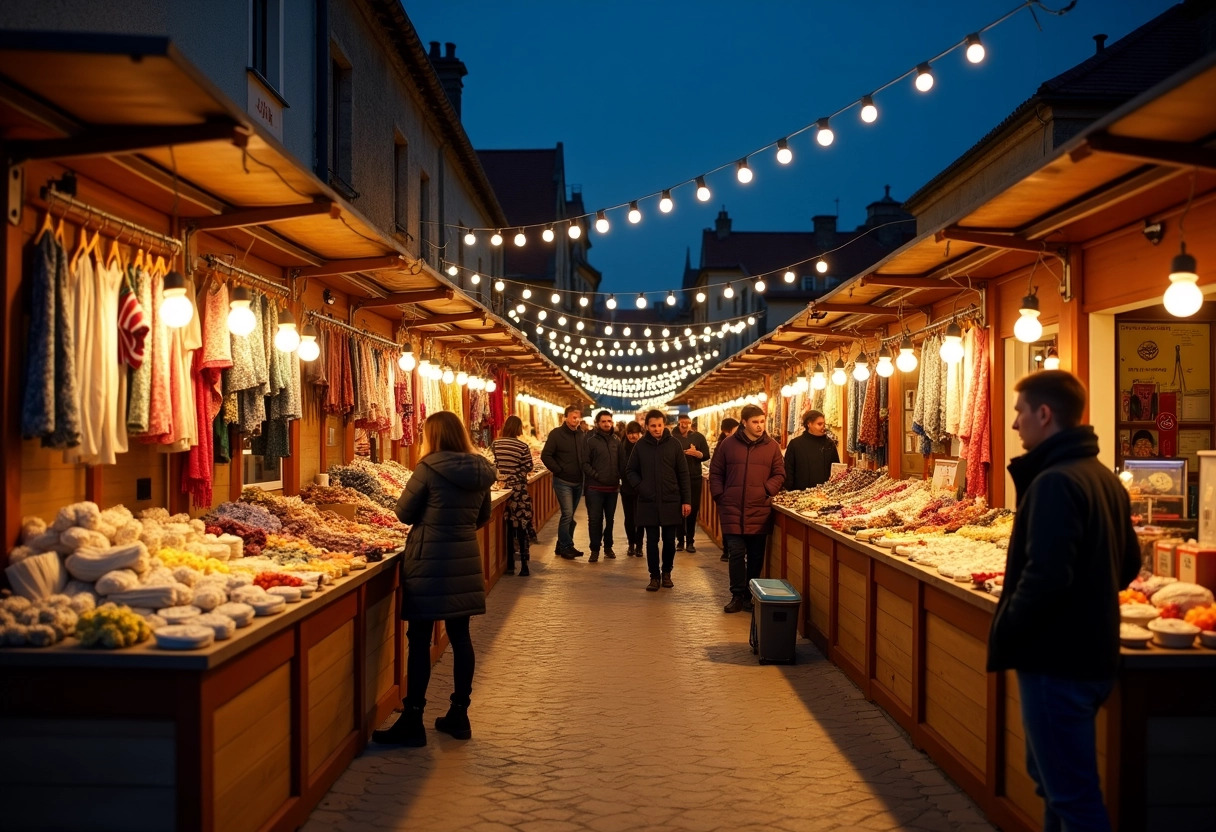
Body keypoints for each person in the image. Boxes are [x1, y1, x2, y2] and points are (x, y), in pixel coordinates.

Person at [988, 370, 1140, 832]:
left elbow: (1046, 577)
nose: (1015, 425)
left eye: (1019, 412)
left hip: (1057, 661)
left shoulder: (1054, 481)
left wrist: (1009, 624)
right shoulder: (1103, 477)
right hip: (1091, 655)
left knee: (1073, 799)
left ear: (1044, 414)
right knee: (1055, 788)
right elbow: (1128, 565)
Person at [374, 411, 496, 746]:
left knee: (419, 641)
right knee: (461, 638)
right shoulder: (481, 470)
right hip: (464, 561)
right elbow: (482, 516)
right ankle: (459, 714)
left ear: (434, 436)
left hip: (428, 563)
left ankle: (413, 720)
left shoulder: (428, 468)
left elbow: (403, 512)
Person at [710, 404, 785, 614]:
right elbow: (716, 472)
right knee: (735, 553)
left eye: (762, 421)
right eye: (755, 422)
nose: (760, 426)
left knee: (755, 555)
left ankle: (750, 596)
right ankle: (736, 595)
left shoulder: (771, 447)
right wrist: (720, 496)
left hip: (759, 509)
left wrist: (766, 490)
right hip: (732, 508)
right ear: (744, 423)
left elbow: (779, 473)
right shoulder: (727, 445)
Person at [626, 409, 691, 591]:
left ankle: (667, 573)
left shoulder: (674, 445)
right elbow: (630, 470)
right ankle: (654, 576)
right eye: (653, 426)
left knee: (670, 541)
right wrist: (641, 487)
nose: (657, 429)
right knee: (651, 540)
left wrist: (686, 500)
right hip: (648, 501)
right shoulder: (640, 446)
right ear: (646, 426)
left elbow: (683, 474)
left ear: (665, 425)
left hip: (671, 499)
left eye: (660, 425)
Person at [541, 405, 587, 559]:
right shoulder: (556, 434)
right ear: (566, 417)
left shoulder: (581, 435)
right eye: (573, 417)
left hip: (578, 481)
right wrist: (558, 469)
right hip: (563, 481)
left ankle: (561, 545)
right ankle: (567, 546)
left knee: (570, 516)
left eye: (578, 417)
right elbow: (546, 455)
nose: (576, 420)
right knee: (567, 514)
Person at [492, 415, 534, 577]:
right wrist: (517, 474)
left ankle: (509, 564)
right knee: (521, 524)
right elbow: (528, 465)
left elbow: (493, 463)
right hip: (519, 489)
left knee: (506, 526)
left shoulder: (496, 444)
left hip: (501, 486)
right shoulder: (522, 446)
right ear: (518, 428)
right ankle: (524, 565)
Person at [582, 409, 622, 561]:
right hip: (594, 489)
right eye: (604, 421)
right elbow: (585, 463)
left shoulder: (616, 441)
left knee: (610, 519)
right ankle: (594, 549)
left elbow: (621, 462)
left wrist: (618, 476)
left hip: (612, 488)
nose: (607, 424)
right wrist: (597, 476)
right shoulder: (590, 440)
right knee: (595, 519)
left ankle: (608, 547)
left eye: (609, 421)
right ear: (598, 423)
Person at [671, 413, 710, 553]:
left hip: (694, 477)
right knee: (678, 509)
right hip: (677, 478)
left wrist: (697, 454)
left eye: (688, 423)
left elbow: (706, 454)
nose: (685, 425)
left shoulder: (698, 437)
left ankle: (690, 541)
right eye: (683, 423)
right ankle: (680, 540)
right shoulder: (671, 438)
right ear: (678, 423)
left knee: (692, 509)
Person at [784, 409, 840, 491]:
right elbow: (788, 470)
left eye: (824, 424)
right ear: (809, 424)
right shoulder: (795, 444)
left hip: (825, 494)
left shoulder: (829, 444)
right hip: (800, 495)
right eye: (819, 424)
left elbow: (836, 469)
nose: (823, 427)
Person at [618, 421, 645, 557]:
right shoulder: (622, 447)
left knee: (640, 517)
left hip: (641, 489)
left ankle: (639, 545)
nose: (633, 436)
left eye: (635, 433)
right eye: (630, 433)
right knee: (629, 517)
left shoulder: (645, 446)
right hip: (627, 488)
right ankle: (631, 544)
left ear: (640, 433)